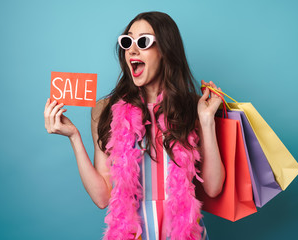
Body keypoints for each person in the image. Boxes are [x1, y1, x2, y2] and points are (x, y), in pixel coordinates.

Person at [44, 11, 225, 240]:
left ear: (165, 50)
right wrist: (74, 137)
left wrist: (207, 121)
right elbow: (102, 198)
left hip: (184, 232)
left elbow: (213, 188)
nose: (132, 49)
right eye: (128, 41)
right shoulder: (106, 111)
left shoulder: (192, 108)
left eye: (144, 41)